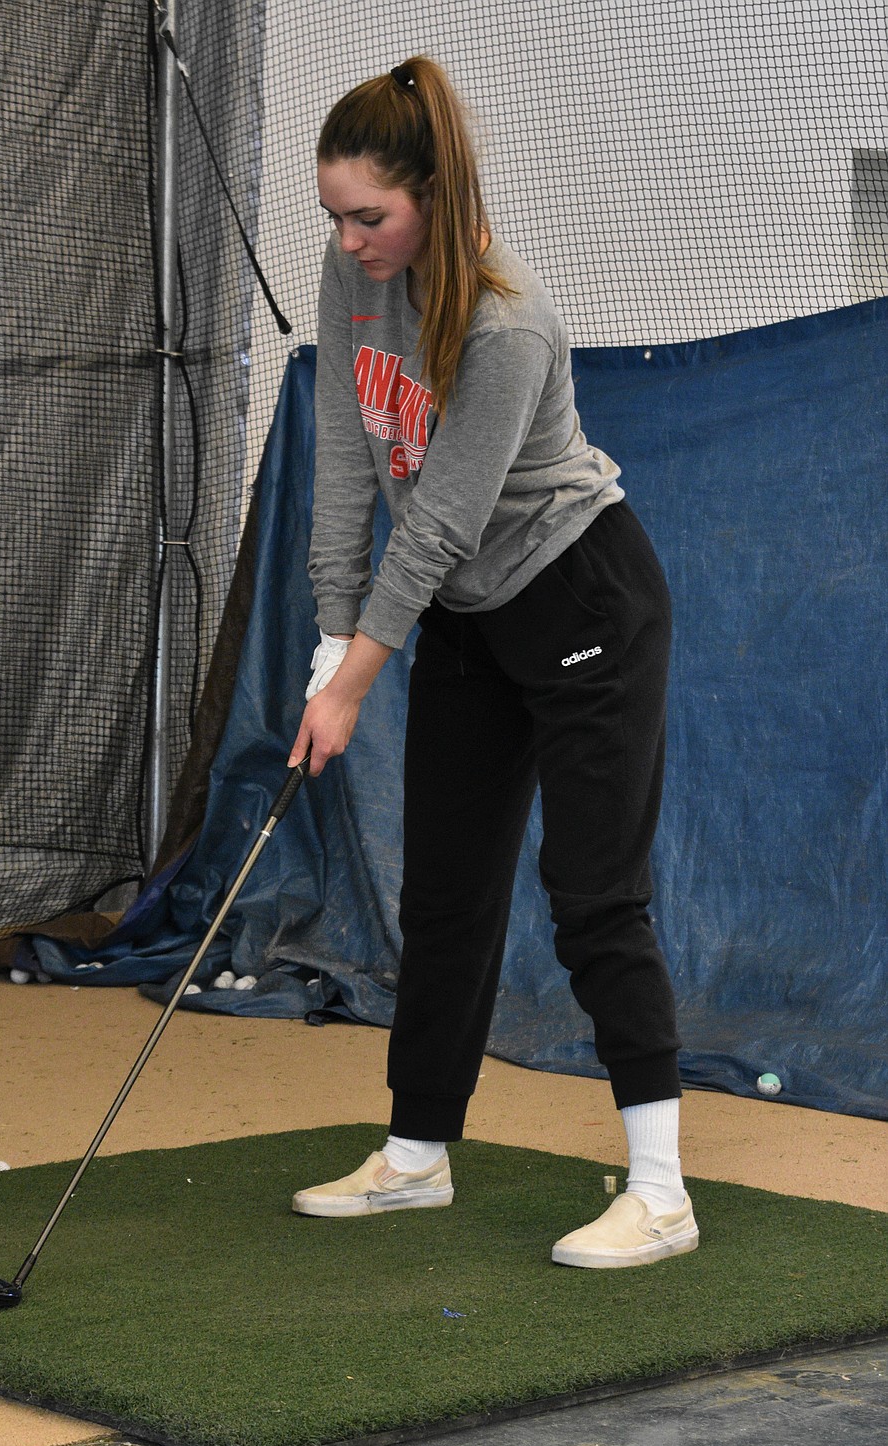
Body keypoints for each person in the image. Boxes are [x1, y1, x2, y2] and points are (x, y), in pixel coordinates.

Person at [287, 56, 698, 1268]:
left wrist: (353, 682)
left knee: (592, 896)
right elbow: (348, 464)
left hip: (582, 600)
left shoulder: (509, 323)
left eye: (373, 216)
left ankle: (664, 1192)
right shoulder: (352, 278)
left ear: (434, 195)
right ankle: (416, 1156)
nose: (351, 239)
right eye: (336, 216)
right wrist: (326, 635)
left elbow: (444, 521)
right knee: (447, 893)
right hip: (472, 619)